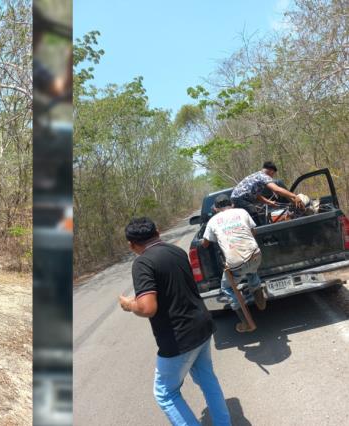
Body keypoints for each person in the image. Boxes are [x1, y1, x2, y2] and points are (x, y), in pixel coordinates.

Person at [119, 217, 231, 426]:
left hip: (179, 338)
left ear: (131, 245)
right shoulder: (176, 251)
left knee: (165, 394)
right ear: (158, 232)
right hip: (202, 326)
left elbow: (147, 307)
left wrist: (129, 305)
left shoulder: (142, 262)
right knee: (207, 379)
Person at [201, 194, 267, 333]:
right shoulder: (242, 212)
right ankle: (260, 303)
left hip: (236, 261)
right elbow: (253, 231)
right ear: (231, 204)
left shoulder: (213, 221)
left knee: (227, 288)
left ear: (216, 208)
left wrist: (206, 240)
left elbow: (206, 244)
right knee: (251, 270)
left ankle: (247, 322)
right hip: (256, 254)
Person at [230, 161, 304, 225]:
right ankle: (261, 233)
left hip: (236, 198)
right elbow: (277, 190)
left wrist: (268, 202)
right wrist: (294, 196)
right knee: (254, 216)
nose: (272, 177)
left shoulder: (257, 175)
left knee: (249, 218)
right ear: (271, 171)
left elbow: (256, 195)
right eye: (273, 174)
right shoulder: (264, 176)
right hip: (240, 199)